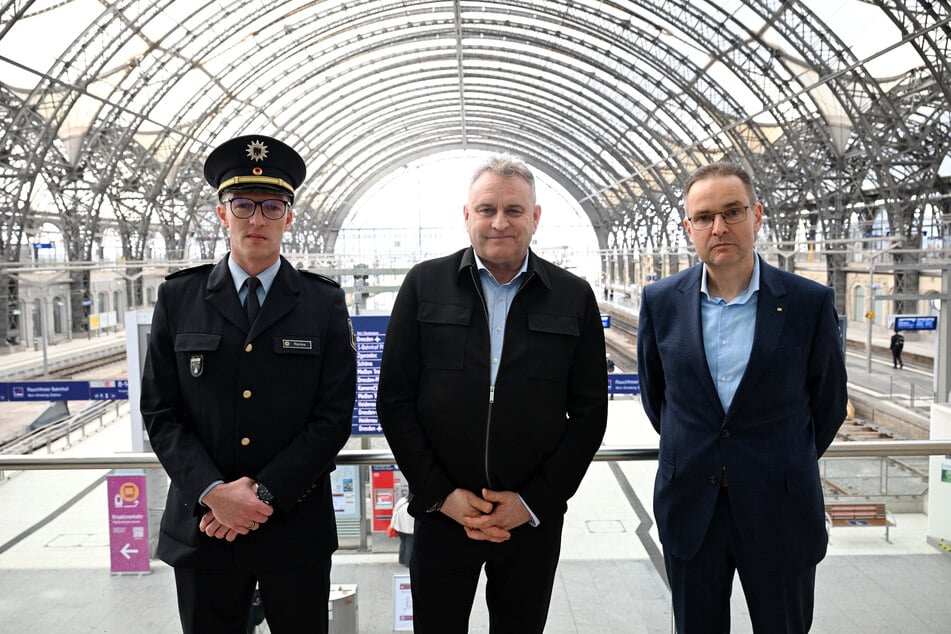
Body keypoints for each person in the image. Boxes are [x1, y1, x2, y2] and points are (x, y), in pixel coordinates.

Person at [376, 154, 608, 634]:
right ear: (467, 216)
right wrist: (440, 495)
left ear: (535, 217)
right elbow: (394, 401)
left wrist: (532, 501)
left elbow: (589, 416)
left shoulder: (573, 296)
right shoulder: (423, 284)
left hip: (529, 522)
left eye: (514, 210)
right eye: (486, 209)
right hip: (442, 517)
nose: (499, 222)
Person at [140, 134, 356, 634]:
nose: (257, 219)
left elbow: (332, 418)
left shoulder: (322, 303)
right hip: (205, 529)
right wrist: (213, 492)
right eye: (243, 204)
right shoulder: (179, 297)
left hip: (293, 529)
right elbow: (161, 412)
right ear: (222, 213)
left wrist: (262, 495)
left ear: (288, 218)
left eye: (272, 206)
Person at [637, 161, 848, 634]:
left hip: (781, 509)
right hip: (691, 507)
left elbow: (830, 403)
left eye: (732, 212)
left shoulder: (808, 302)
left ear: (757, 215)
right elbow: (657, 399)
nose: (719, 227)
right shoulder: (661, 301)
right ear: (689, 228)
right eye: (704, 217)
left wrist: (779, 459)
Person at [388, 494, 415, 566]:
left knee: (403, 543)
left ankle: (402, 560)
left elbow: (395, 510)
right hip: (409, 529)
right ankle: (408, 563)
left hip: (399, 528)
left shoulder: (401, 501)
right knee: (409, 545)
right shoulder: (414, 505)